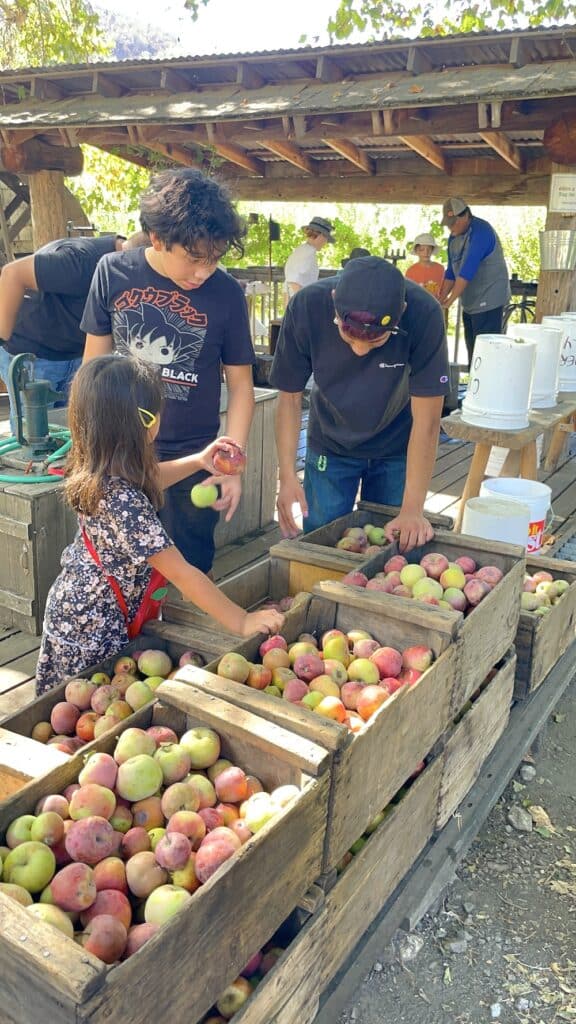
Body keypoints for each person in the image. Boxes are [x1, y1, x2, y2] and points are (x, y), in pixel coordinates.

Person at [35, 357, 283, 695]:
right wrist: (242, 620)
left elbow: (149, 478)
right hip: (94, 629)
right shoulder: (126, 503)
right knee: (90, 705)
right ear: (147, 424)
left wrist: (199, 460)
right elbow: (182, 573)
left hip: (74, 610)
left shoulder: (101, 470)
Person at [81, 168, 256, 574]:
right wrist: (89, 450)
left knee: (189, 571)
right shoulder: (112, 272)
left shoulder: (227, 294)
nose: (204, 272)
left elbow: (242, 386)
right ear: (158, 238)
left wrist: (232, 464)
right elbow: (92, 370)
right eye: (194, 259)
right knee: (119, 570)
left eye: (215, 259)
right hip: (121, 454)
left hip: (196, 457)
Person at [270, 256, 451, 552]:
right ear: (333, 303)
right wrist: (287, 475)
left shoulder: (425, 313)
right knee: (322, 546)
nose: (359, 350)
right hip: (329, 441)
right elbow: (289, 398)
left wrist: (413, 509)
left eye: (376, 341)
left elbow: (428, 422)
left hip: (397, 445)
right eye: (348, 337)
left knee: (390, 549)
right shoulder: (306, 306)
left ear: (401, 313)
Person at [0, 231, 148, 431]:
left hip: (76, 354)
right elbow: (12, 274)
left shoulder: (123, 267)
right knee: (33, 436)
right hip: (34, 354)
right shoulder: (80, 259)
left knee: (74, 431)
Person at [439, 198, 510, 366]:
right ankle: (474, 386)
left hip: (490, 301)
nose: (450, 227)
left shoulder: (481, 232)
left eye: (453, 223)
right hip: (471, 302)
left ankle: (488, 389)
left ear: (465, 216)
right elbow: (451, 271)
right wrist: (441, 297)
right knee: (473, 351)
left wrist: (449, 302)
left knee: (486, 354)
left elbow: (467, 271)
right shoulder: (453, 237)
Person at [284, 216, 335, 298]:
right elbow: (293, 282)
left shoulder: (302, 250)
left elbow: (288, 285)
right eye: (326, 238)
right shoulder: (307, 253)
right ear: (320, 235)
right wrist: (302, 304)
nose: (325, 242)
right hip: (300, 302)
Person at [405, 233, 444, 298]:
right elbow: (408, 292)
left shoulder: (440, 269)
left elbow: (443, 290)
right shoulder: (411, 271)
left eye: (428, 249)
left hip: (436, 306)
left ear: (432, 250)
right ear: (416, 251)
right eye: (422, 250)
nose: (426, 252)